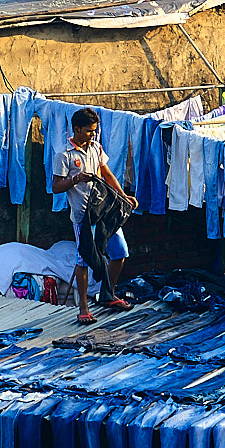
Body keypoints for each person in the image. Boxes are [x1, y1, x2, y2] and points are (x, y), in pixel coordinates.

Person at [50, 108, 134, 325]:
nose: (93, 134)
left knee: (120, 252)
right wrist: (76, 179)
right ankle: (84, 309)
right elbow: (56, 186)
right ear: (76, 129)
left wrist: (123, 197)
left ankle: (108, 294)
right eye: (89, 131)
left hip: (104, 212)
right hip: (82, 218)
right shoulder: (64, 154)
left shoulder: (96, 147)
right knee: (84, 259)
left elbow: (106, 174)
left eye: (94, 130)